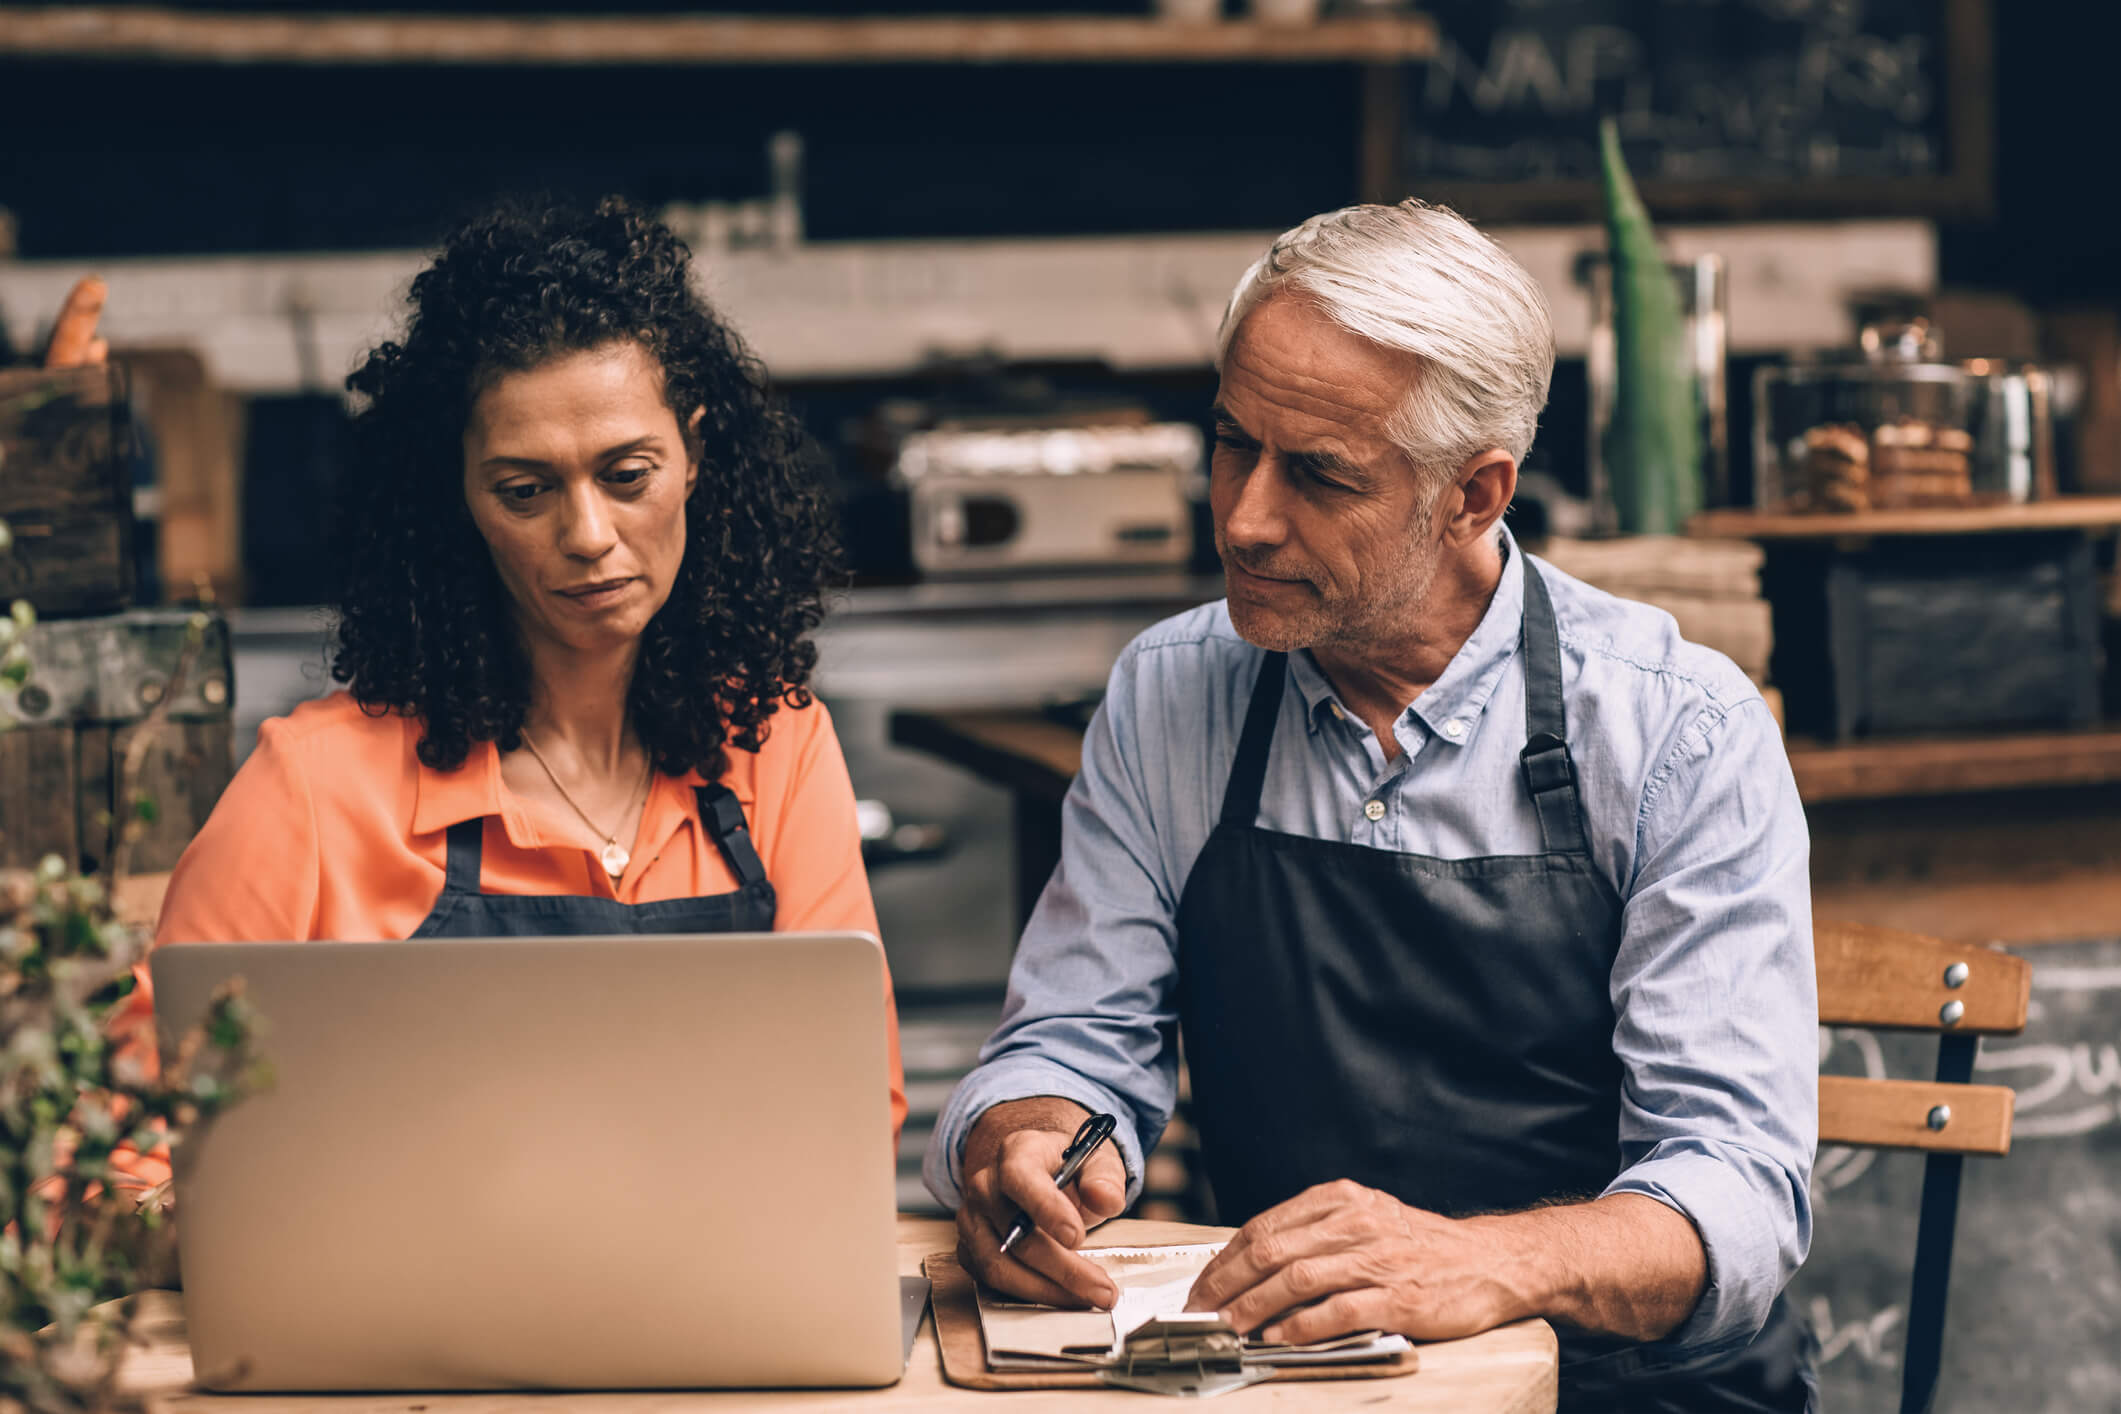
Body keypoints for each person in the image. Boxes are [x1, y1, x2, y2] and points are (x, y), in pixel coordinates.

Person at [924, 201, 1816, 1412]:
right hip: (1306, 1382)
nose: (1242, 516)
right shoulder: (1172, 695)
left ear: (1474, 494)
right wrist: (1023, 1144)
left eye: (1319, 475)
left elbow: (1739, 1188)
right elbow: (1075, 1041)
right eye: (1233, 444)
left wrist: (1482, 1259)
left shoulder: (1677, 730)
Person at [133, 197, 905, 1141]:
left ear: (695, 454)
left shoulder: (776, 743)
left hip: (710, 1291)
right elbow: (124, 1153)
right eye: (525, 491)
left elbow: (851, 1104)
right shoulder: (312, 790)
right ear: (457, 496)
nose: (588, 536)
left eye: (628, 476)